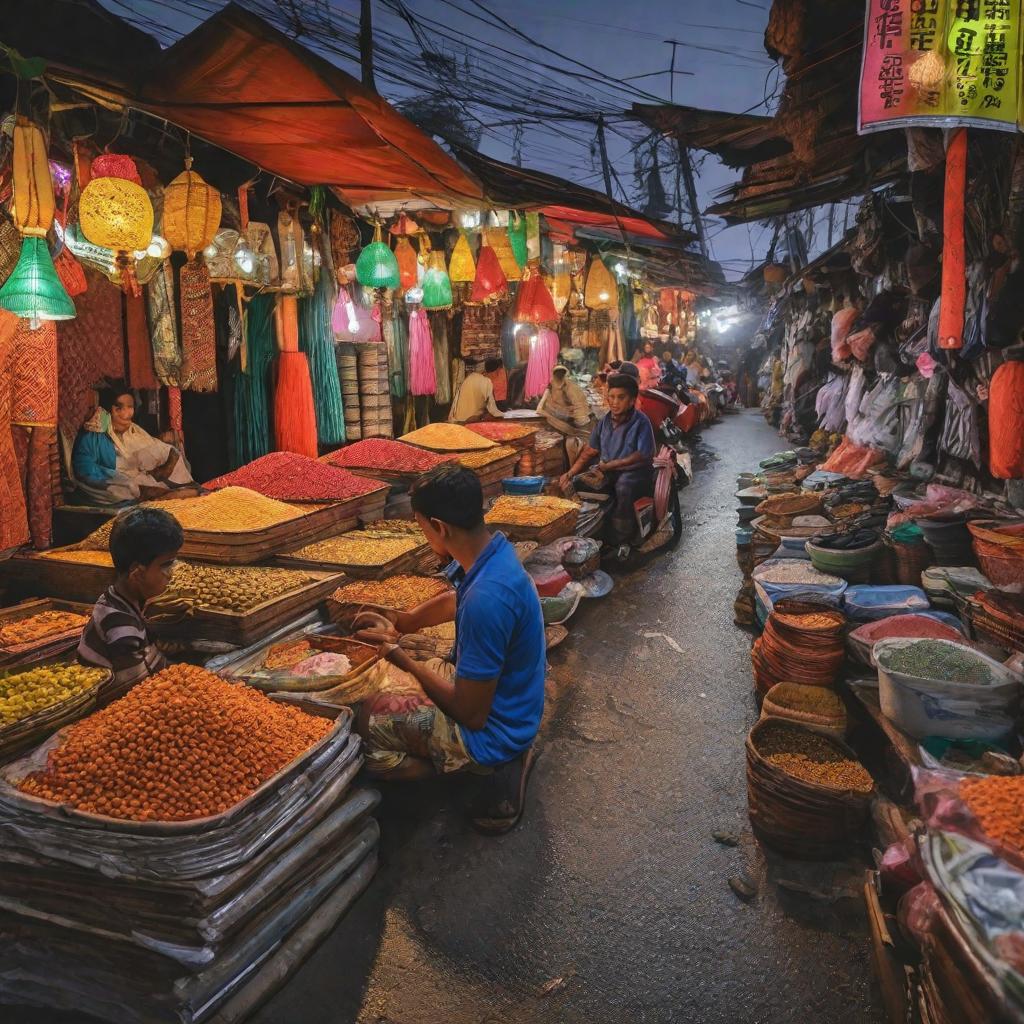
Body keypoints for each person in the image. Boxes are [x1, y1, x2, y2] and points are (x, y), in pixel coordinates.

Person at [353, 465, 545, 834]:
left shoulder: (486, 600)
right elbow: (454, 599)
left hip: (494, 729)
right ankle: (494, 762)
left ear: (440, 527)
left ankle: (482, 774)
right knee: (389, 686)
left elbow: (470, 713)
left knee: (369, 731)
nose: (424, 536)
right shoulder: (494, 555)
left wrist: (399, 654)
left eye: (422, 527)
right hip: (512, 704)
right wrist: (404, 620)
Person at [78, 507, 183, 693]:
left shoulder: (122, 599)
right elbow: (139, 691)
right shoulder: (120, 627)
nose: (171, 574)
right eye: (165, 565)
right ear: (137, 572)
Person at [559, 372, 655, 546]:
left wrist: (612, 465)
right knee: (579, 484)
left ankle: (622, 540)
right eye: (611, 396)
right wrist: (570, 473)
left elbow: (643, 454)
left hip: (635, 472)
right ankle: (593, 530)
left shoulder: (641, 422)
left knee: (623, 487)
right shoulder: (603, 422)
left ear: (632, 400)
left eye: (621, 397)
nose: (615, 402)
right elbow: (591, 450)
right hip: (607, 470)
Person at [72, 386, 195, 504]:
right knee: (128, 487)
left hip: (142, 476)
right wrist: (117, 476)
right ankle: (165, 494)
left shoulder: (133, 430)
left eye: (130, 407)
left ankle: (165, 492)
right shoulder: (94, 435)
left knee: (173, 453)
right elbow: (84, 468)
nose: (127, 413)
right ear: (108, 411)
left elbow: (153, 448)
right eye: (119, 408)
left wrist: (166, 460)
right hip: (114, 482)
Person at [536, 365, 591, 433]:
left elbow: (579, 405)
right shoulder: (551, 385)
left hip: (569, 417)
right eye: (558, 373)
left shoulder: (569, 386)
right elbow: (541, 405)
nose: (559, 375)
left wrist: (578, 419)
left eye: (561, 373)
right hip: (557, 414)